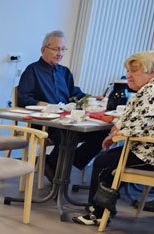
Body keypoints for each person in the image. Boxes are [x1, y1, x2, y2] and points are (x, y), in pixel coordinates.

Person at [73, 51, 154, 226]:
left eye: (134, 71)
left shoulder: (152, 90)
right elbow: (135, 118)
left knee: (103, 162)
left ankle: (97, 213)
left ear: (151, 71)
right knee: (110, 160)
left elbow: (136, 125)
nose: (128, 75)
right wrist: (118, 129)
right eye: (128, 70)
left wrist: (114, 136)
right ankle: (100, 208)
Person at [18, 30, 105, 181]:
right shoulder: (32, 70)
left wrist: (91, 98)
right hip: (44, 122)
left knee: (100, 134)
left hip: (65, 121)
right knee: (69, 135)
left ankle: (58, 164)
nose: (60, 53)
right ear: (43, 49)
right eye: (56, 49)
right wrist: (40, 103)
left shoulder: (64, 72)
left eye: (63, 49)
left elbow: (74, 93)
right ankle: (56, 169)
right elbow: (23, 98)